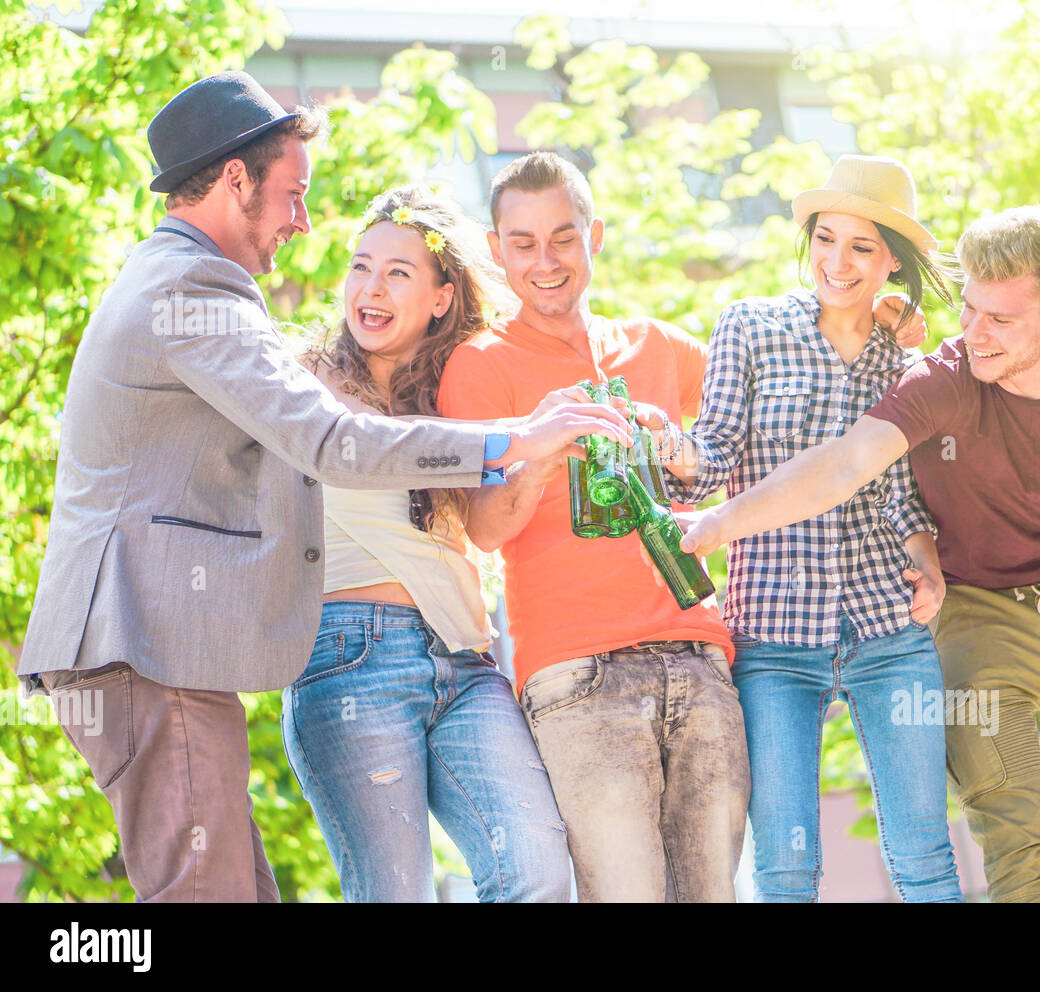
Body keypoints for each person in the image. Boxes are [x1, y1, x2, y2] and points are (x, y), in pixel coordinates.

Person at [17, 73, 628, 903]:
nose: (302, 221)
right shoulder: (192, 290)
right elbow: (332, 442)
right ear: (236, 180)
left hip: (159, 649)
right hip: (140, 638)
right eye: (293, 195)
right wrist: (516, 438)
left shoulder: (174, 279)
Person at [681, 204, 1040, 903]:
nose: (973, 333)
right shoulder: (941, 380)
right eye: (969, 309)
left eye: (999, 319)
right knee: (1017, 843)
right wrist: (716, 523)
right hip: (972, 614)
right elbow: (846, 464)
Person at [646, 155, 962, 901]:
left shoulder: (906, 358)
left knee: (924, 857)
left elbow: (905, 493)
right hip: (774, 639)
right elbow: (716, 453)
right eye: (825, 238)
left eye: (861, 247)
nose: (837, 262)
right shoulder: (750, 326)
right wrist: (675, 451)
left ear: (892, 259)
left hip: (888, 628)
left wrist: (929, 562)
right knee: (786, 869)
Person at [281, 186, 571, 902]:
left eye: (398, 273)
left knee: (535, 871)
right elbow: (361, 449)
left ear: (443, 297)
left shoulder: (458, 395)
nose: (370, 288)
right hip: (350, 656)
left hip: (463, 660)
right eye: (360, 267)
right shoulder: (304, 380)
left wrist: (539, 458)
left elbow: (485, 529)